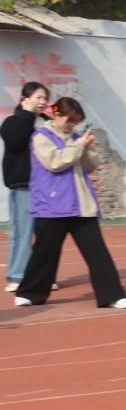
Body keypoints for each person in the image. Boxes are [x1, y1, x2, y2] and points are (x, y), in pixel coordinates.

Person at [15, 97, 126, 309]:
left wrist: (87, 148)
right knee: (45, 253)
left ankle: (113, 295)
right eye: (69, 120)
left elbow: (89, 166)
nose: (72, 125)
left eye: (75, 122)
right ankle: (30, 293)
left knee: (97, 252)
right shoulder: (41, 136)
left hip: (80, 205)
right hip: (51, 206)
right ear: (56, 114)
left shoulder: (76, 138)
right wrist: (78, 146)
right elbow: (55, 162)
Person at [2, 82, 48, 293]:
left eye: (45, 98)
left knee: (47, 234)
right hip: (24, 186)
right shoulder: (13, 122)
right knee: (22, 232)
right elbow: (16, 141)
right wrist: (28, 114)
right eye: (38, 97)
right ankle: (18, 275)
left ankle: (43, 277)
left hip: (47, 186)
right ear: (24, 99)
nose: (42, 102)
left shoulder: (44, 124)